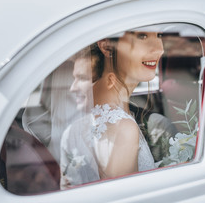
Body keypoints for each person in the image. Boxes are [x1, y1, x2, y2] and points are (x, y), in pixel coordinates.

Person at [60, 28, 164, 188]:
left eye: (159, 35)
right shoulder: (123, 128)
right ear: (107, 48)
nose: (160, 49)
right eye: (142, 36)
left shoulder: (71, 131)